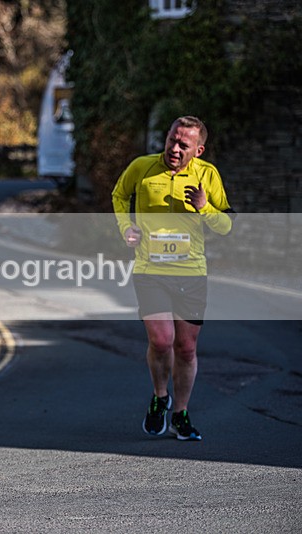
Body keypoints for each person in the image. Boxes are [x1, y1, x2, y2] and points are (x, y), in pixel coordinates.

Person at [112, 116, 234, 441]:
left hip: (192, 273)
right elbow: (119, 196)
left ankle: (180, 413)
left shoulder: (208, 175)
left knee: (186, 348)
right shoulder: (142, 167)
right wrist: (127, 229)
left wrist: (204, 208)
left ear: (199, 149)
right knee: (162, 340)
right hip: (150, 270)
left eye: (184, 144)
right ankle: (159, 396)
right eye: (171, 140)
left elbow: (227, 225)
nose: (175, 149)